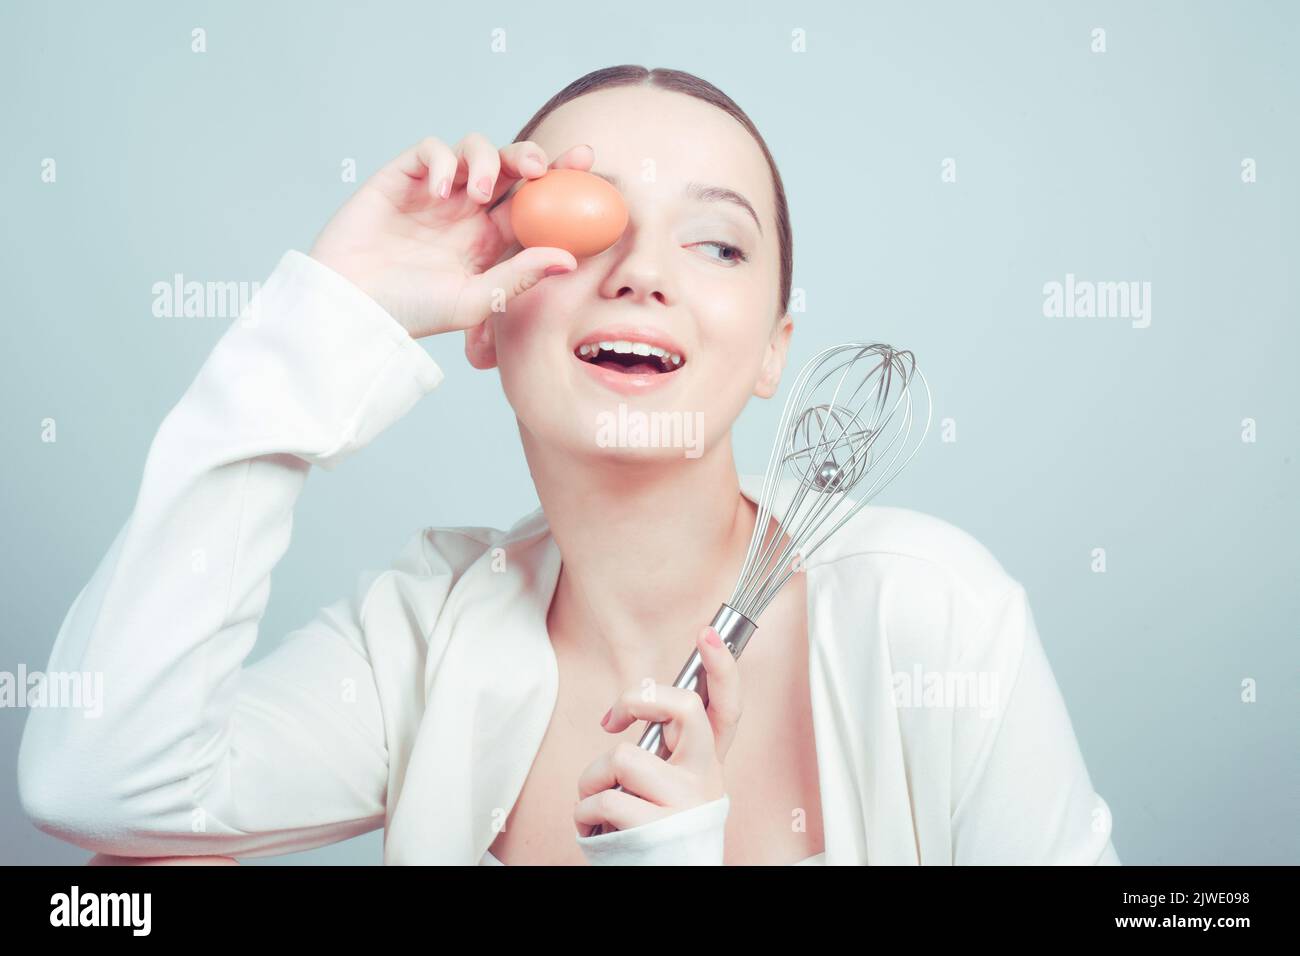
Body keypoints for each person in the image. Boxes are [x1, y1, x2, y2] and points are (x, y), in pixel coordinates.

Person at [18, 65, 1120, 866]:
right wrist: (330, 315)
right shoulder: (427, 632)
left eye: (716, 242)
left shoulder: (932, 615)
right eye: (585, 229)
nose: (640, 273)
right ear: (488, 318)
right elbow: (103, 786)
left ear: (776, 349)